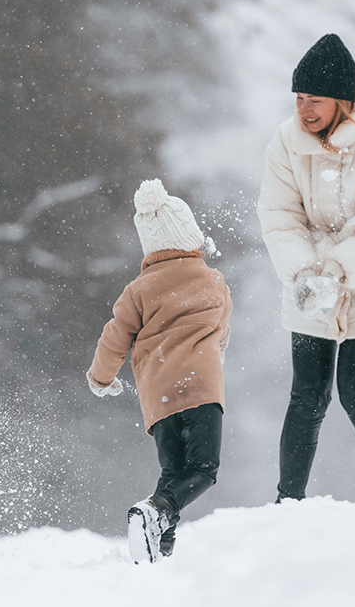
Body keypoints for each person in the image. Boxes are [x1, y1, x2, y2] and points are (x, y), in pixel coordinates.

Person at [256, 33, 355, 504]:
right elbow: (280, 217)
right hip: (307, 281)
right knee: (306, 395)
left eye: (316, 100)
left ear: (342, 100)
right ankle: (288, 502)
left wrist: (338, 271)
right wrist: (306, 274)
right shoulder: (285, 142)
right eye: (300, 98)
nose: (304, 110)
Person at [87, 179, 233, 564]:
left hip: (160, 398)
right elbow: (222, 331)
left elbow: (115, 335)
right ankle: (155, 515)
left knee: (173, 473)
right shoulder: (213, 280)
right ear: (191, 235)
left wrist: (101, 377)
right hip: (201, 389)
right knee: (202, 470)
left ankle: (159, 545)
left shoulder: (138, 289)